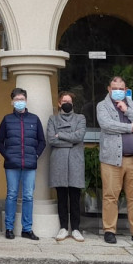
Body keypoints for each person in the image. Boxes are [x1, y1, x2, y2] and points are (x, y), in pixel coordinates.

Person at [96, 76, 133, 245]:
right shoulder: (102, 105)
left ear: (125, 89)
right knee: (110, 196)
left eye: (121, 88)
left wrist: (127, 110)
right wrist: (130, 128)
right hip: (111, 160)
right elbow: (106, 125)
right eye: (115, 88)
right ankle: (109, 230)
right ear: (109, 89)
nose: (118, 91)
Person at [0, 89, 46, 241]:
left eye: (22, 98)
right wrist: (8, 156)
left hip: (30, 164)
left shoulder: (34, 119)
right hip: (12, 165)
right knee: (11, 195)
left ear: (26, 100)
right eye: (16, 99)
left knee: (28, 196)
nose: (19, 101)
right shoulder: (7, 119)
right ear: (12, 101)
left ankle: (27, 229)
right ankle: (9, 228)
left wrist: (36, 155)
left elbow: (42, 141)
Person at [47, 90, 86, 242]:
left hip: (75, 161)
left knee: (75, 196)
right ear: (59, 103)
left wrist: (61, 135)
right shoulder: (53, 119)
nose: (67, 104)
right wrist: (71, 139)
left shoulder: (80, 118)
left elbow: (79, 136)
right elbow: (51, 139)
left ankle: (76, 228)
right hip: (59, 161)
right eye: (64, 102)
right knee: (62, 196)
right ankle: (63, 227)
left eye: (69, 101)